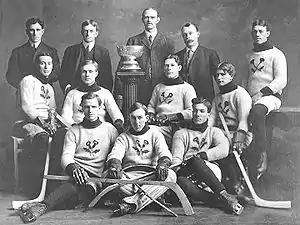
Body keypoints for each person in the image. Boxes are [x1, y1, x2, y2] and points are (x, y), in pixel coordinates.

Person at [19, 93, 119, 223]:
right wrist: (74, 168)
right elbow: (66, 156)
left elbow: (116, 152)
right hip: (76, 175)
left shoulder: (110, 130)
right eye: (87, 107)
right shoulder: (74, 131)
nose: (90, 111)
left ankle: (42, 205)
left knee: (84, 191)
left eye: (94, 107)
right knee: (73, 188)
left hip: (96, 179)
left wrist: (113, 165)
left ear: (100, 108)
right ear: (81, 108)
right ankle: (43, 206)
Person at [172, 97, 244, 215]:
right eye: (195, 111)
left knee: (196, 160)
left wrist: (202, 156)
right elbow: (176, 159)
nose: (197, 114)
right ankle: (226, 198)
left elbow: (224, 149)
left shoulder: (214, 131)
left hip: (208, 175)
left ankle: (222, 199)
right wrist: (179, 167)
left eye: (201, 111)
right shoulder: (181, 133)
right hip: (187, 170)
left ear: (208, 114)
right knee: (182, 181)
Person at [106, 102, 176, 217]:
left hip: (152, 176)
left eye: (140, 117)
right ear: (129, 118)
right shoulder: (123, 137)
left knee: (171, 175)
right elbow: (115, 154)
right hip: (130, 178)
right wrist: (115, 164)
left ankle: (130, 203)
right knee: (109, 175)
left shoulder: (155, 134)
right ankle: (152, 198)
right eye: (133, 118)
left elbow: (164, 153)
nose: (137, 122)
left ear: (146, 118)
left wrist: (163, 164)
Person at [244, 19, 287, 179]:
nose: (257, 34)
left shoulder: (277, 54)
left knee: (257, 111)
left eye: (261, 31)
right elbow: (244, 79)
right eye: (255, 31)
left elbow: (281, 80)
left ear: (268, 33)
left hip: (270, 98)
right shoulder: (248, 55)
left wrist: (261, 94)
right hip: (251, 98)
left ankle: (263, 154)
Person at [114, 8, 175, 105]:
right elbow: (122, 68)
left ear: (158, 20)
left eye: (152, 17)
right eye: (146, 17)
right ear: (142, 19)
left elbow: (173, 68)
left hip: (161, 90)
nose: (149, 20)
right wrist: (119, 93)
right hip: (136, 90)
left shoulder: (168, 43)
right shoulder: (133, 41)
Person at [209, 62, 252, 194]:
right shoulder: (217, 97)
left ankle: (236, 182)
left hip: (240, 132)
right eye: (217, 75)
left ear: (231, 76)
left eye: (223, 74)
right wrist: (206, 132)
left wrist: (239, 138)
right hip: (222, 132)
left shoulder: (240, 94)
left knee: (228, 150)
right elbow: (212, 118)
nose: (219, 78)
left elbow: (243, 120)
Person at [61, 60, 124, 133]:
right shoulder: (72, 94)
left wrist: (118, 124)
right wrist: (75, 128)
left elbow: (116, 113)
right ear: (80, 74)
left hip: (100, 131)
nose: (87, 75)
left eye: (90, 71)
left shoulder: (105, 93)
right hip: (78, 131)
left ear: (96, 73)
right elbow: (65, 116)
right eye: (84, 72)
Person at [147, 54, 197, 145]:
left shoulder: (187, 88)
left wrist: (170, 117)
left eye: (172, 65)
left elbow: (191, 112)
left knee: (150, 132)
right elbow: (151, 106)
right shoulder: (158, 87)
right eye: (166, 65)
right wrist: (151, 114)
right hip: (158, 125)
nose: (169, 68)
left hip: (177, 127)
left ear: (179, 67)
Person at [13, 52, 58, 150]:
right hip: (27, 122)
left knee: (66, 136)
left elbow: (52, 109)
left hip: (46, 123)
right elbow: (27, 107)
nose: (46, 67)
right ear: (36, 65)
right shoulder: (27, 80)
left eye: (49, 64)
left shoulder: (49, 87)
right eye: (43, 63)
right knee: (43, 138)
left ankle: (53, 166)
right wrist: (44, 124)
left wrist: (53, 123)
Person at [59, 20, 113, 94]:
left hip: (96, 94)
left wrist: (103, 94)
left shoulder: (103, 52)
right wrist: (68, 89)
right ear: (82, 32)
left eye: (91, 31)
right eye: (86, 31)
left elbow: (107, 77)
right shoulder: (70, 51)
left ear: (96, 33)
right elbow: (63, 74)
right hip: (75, 92)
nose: (88, 34)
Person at [6, 17, 60, 88]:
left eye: (38, 30)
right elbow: (11, 75)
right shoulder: (18, 52)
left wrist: (42, 82)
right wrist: (24, 85)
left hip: (45, 90)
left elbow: (56, 73)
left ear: (42, 31)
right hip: (24, 90)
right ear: (27, 32)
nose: (35, 33)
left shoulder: (51, 51)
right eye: (32, 30)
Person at [176, 22, 220, 102]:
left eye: (190, 33)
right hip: (183, 101)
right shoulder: (177, 56)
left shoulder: (209, 54)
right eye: (185, 35)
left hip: (204, 102)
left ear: (198, 34)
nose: (188, 37)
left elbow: (219, 78)